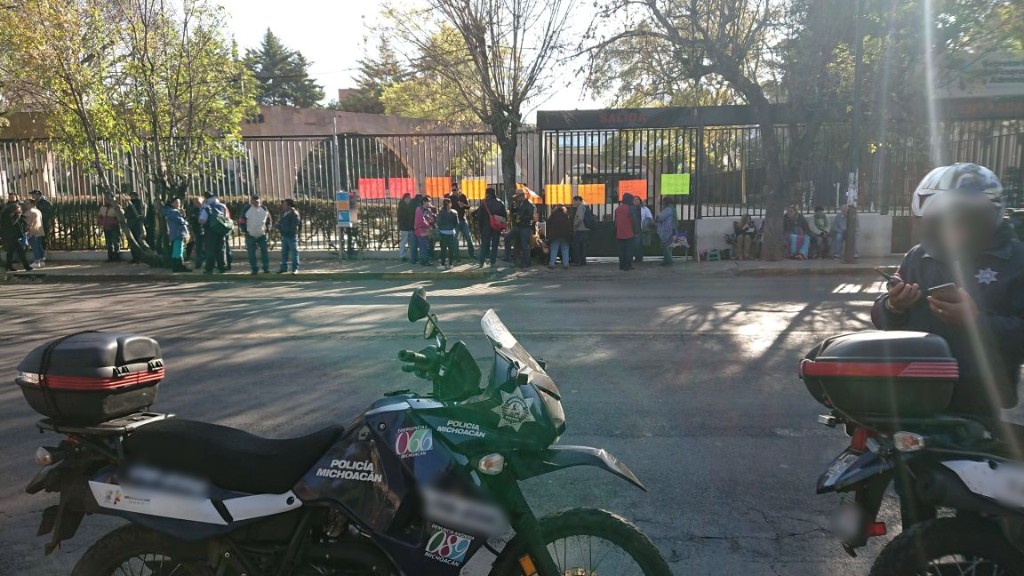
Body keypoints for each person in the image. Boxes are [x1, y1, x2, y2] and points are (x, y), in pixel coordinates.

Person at [872, 163, 1024, 427]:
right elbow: (883, 320)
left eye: (960, 221)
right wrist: (893, 306)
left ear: (986, 217)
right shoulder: (919, 256)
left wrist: (975, 321)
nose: (949, 230)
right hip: (916, 390)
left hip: (982, 399)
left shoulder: (1016, 260)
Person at [239, 194, 272, 275]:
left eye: (258, 200)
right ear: (251, 201)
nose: (257, 202)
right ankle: (254, 269)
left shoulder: (264, 208)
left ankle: (266, 268)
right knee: (251, 253)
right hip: (250, 234)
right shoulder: (247, 209)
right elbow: (242, 220)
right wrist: (245, 231)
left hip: (262, 234)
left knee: (264, 252)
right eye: (255, 200)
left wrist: (267, 229)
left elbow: (269, 220)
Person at [197, 192, 229, 274]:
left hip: (210, 231)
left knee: (210, 250)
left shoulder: (206, 207)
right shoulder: (222, 206)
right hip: (221, 230)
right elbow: (227, 218)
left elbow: (202, 220)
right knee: (221, 249)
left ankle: (209, 269)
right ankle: (222, 267)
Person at [477, 187, 507, 268]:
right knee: (495, 244)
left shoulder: (484, 202)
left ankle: (481, 262)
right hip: (496, 227)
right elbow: (505, 217)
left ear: (487, 194)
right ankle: (492, 262)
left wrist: (481, 226)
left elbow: (479, 216)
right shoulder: (500, 202)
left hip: (486, 227)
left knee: (484, 244)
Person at [445, 183, 475, 261]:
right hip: (455, 222)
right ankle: (457, 257)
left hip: (463, 220)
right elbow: (448, 209)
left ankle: (472, 254)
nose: (453, 191)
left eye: (454, 189)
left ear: (458, 189)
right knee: (455, 239)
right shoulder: (451, 198)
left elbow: (468, 207)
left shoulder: (463, 196)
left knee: (469, 238)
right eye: (452, 190)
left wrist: (463, 205)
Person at [163, 198, 191, 272]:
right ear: (172, 203)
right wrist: (185, 221)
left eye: (179, 202)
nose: (178, 204)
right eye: (176, 202)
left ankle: (176, 266)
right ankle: (180, 266)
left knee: (176, 250)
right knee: (179, 250)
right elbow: (179, 220)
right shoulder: (173, 212)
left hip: (174, 233)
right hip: (178, 232)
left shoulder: (168, 211)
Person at [2, 202, 32, 271]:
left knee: (11, 251)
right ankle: (26, 266)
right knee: (20, 251)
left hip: (14, 236)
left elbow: (22, 221)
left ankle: (8, 266)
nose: (19, 210)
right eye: (18, 209)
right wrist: (18, 215)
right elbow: (12, 223)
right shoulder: (7, 215)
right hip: (10, 236)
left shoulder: (14, 214)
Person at [511, 189, 535, 268]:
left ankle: (526, 262)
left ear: (522, 196)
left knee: (525, 246)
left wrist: (521, 218)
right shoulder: (521, 203)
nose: (517, 198)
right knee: (520, 244)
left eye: (518, 197)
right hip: (521, 226)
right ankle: (522, 261)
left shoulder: (529, 204)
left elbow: (530, 216)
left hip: (526, 226)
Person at [28, 190, 53, 265]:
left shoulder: (45, 203)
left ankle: (40, 259)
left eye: (33, 194)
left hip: (43, 225)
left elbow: (48, 215)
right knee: (39, 242)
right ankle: (41, 259)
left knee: (40, 242)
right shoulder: (36, 202)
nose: (32, 196)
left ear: (38, 194)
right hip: (39, 225)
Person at [277, 198, 301, 274]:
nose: (283, 205)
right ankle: (284, 268)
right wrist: (278, 226)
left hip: (291, 235)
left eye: (284, 204)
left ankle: (295, 269)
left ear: (289, 205)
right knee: (284, 252)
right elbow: (280, 222)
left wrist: (286, 231)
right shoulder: (283, 212)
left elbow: (294, 225)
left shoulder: (294, 213)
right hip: (284, 235)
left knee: (294, 252)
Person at [98, 194, 123, 262]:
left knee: (116, 242)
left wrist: (113, 221)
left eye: (109, 199)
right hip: (106, 227)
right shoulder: (103, 207)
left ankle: (117, 257)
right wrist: (102, 221)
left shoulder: (116, 207)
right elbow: (100, 215)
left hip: (114, 226)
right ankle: (110, 257)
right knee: (108, 242)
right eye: (106, 199)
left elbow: (121, 216)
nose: (107, 200)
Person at [546, 204, 572, 270]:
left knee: (554, 249)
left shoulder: (553, 215)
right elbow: (569, 225)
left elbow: (548, 224)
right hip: (565, 235)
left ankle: (552, 263)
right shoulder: (565, 215)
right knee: (565, 249)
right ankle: (566, 264)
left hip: (555, 235)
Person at [124, 191, 147, 264]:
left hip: (137, 225)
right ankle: (135, 257)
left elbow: (140, 214)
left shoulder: (139, 203)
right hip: (132, 225)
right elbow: (126, 214)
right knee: (133, 241)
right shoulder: (131, 204)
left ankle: (139, 257)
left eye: (132, 196)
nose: (131, 198)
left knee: (137, 241)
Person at [436, 198, 458, 270]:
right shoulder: (454, 212)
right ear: (450, 203)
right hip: (451, 232)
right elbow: (456, 223)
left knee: (443, 249)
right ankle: (451, 264)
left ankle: (442, 265)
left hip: (443, 232)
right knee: (451, 249)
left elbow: (438, 222)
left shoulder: (441, 212)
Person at [615, 194, 636, 271]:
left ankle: (622, 265)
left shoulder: (618, 209)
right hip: (629, 232)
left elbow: (616, 222)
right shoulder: (631, 208)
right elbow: (634, 221)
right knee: (629, 250)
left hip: (620, 232)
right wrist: (636, 231)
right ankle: (628, 265)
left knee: (621, 251)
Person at [414, 196, 436, 266]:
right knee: (423, 245)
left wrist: (432, 224)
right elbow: (420, 220)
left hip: (427, 230)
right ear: (424, 202)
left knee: (427, 246)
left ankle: (426, 260)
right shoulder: (419, 209)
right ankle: (424, 261)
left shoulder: (428, 210)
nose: (430, 202)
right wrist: (428, 225)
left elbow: (431, 219)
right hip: (421, 230)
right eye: (428, 201)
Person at [23, 199, 45, 268]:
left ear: (32, 204)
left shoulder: (29, 212)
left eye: (27, 203)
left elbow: (28, 223)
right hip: (39, 231)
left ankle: (37, 261)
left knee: (35, 247)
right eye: (25, 203)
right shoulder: (38, 211)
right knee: (39, 246)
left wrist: (28, 232)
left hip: (32, 232)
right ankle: (41, 261)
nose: (25, 205)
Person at [186, 197, 205, 268]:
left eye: (198, 202)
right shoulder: (193, 210)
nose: (197, 203)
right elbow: (191, 221)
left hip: (207, 230)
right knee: (198, 248)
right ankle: (198, 263)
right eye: (195, 202)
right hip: (197, 231)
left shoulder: (205, 209)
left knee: (209, 247)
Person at [571, 196, 590, 266]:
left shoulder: (580, 207)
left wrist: (575, 225)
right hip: (584, 229)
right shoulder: (585, 206)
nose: (573, 203)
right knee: (583, 247)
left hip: (580, 229)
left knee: (577, 246)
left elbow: (580, 218)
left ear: (578, 200)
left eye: (574, 201)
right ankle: (583, 261)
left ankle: (577, 261)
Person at [656, 199, 676, 266]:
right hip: (671, 229)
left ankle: (668, 260)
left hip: (666, 229)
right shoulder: (673, 209)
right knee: (667, 245)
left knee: (664, 245)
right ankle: (667, 259)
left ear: (665, 203)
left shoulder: (668, 209)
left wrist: (658, 215)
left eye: (663, 202)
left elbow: (661, 217)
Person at [397, 193, 415, 262]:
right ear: (406, 198)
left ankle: (404, 255)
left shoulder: (403, 205)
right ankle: (402, 256)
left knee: (406, 242)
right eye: (409, 198)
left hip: (406, 226)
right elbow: (403, 217)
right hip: (405, 226)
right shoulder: (402, 206)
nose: (410, 200)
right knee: (404, 242)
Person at [632, 195, 645, 264]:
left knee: (638, 244)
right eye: (634, 200)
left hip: (640, 228)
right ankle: (638, 257)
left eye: (637, 199)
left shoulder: (642, 209)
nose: (636, 201)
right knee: (636, 244)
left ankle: (638, 258)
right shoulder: (632, 209)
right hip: (634, 228)